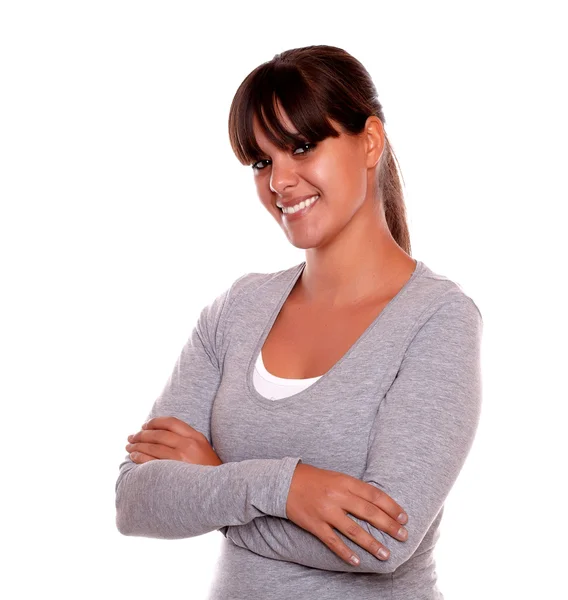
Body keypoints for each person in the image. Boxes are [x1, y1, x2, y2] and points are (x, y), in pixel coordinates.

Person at [115, 44, 483, 600]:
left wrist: (214, 477)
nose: (280, 181)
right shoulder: (237, 311)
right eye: (262, 161)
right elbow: (136, 500)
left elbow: (378, 544)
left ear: (370, 142)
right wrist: (284, 488)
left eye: (302, 147)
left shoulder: (437, 319)